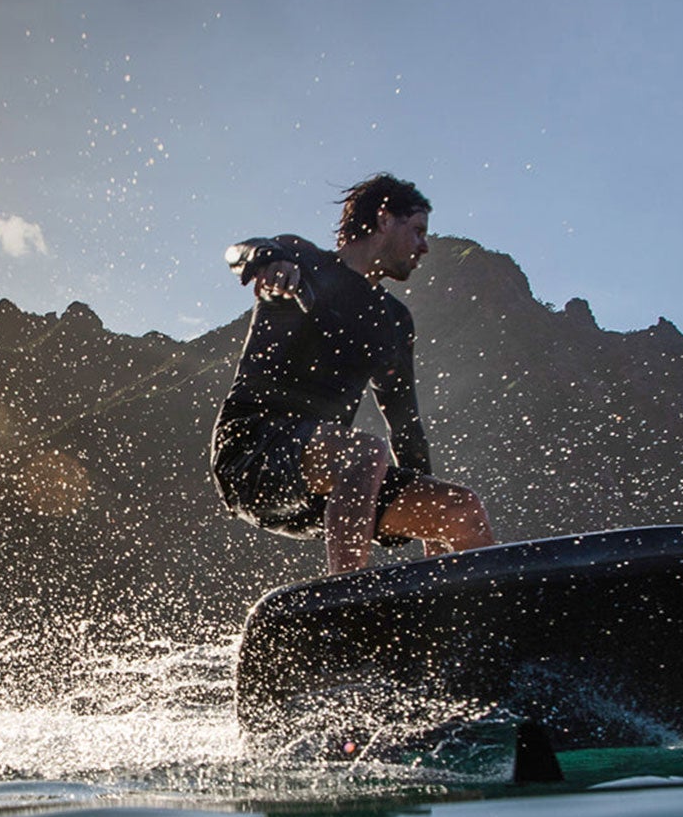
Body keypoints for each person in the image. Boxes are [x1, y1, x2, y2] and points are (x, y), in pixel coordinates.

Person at [211, 173, 493, 574]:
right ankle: (347, 603)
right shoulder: (301, 259)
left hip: (326, 479)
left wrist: (434, 534)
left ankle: (470, 624)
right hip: (253, 451)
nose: (424, 246)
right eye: (416, 230)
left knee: (461, 509)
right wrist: (266, 262)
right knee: (363, 452)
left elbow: (406, 428)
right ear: (383, 220)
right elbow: (237, 251)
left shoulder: (395, 320)